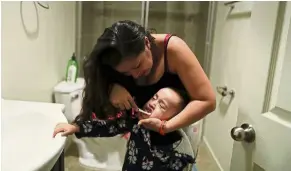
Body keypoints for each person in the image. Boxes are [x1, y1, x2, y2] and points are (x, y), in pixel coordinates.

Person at [79, 20, 216, 136]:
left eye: (137, 65)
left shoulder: (174, 49)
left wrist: (165, 127)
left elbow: (207, 101)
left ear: (147, 43)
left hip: (176, 135)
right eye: (125, 73)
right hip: (141, 138)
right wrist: (110, 88)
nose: (134, 75)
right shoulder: (117, 58)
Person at [53, 87, 195, 171]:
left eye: (162, 105)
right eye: (154, 97)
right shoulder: (137, 122)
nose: (153, 103)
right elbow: (108, 127)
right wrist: (75, 127)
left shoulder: (177, 151)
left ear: (174, 120)